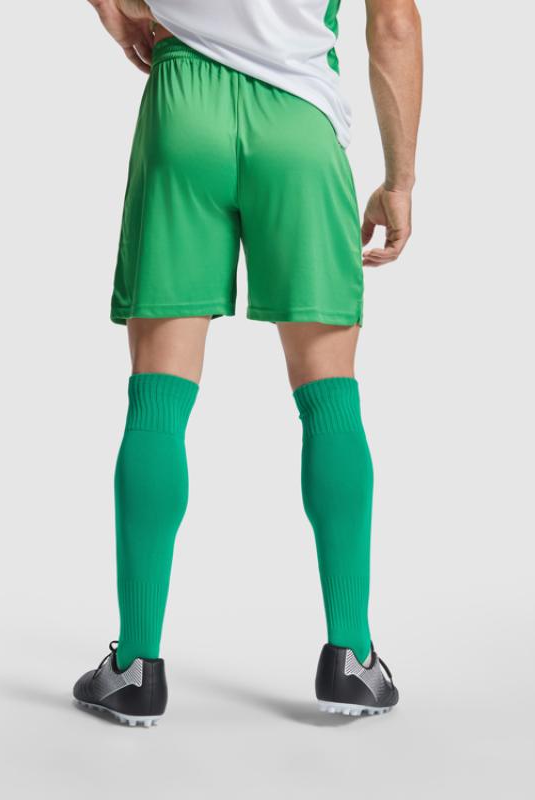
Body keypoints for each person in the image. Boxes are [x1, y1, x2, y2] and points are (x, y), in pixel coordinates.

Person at [73, 0, 423, 727]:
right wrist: (399, 181)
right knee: (330, 394)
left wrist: (114, 10)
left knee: (158, 396)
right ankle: (351, 659)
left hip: (184, 103)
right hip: (299, 121)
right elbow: (393, 22)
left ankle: (136, 667)